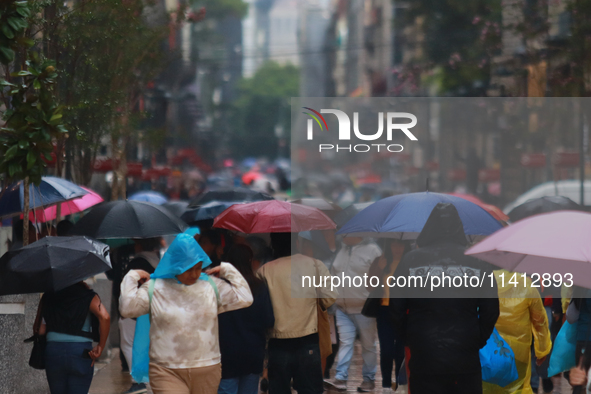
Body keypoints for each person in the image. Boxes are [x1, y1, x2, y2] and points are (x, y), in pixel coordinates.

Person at [119, 233, 253, 394]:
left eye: (198, 267)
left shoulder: (212, 285)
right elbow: (127, 309)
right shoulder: (155, 288)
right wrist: (131, 277)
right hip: (165, 369)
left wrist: (228, 270)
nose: (194, 274)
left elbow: (245, 298)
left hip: (207, 368)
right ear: (175, 265)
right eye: (188, 269)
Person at [389, 203, 500, 394]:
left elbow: (396, 308)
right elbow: (491, 310)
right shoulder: (478, 262)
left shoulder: (410, 260)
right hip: (465, 352)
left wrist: (410, 337)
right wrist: (476, 338)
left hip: (424, 351)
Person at [258, 232, 337, 394]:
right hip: (308, 340)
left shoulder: (264, 271)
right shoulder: (315, 265)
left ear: (273, 245)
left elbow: (260, 305)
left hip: (277, 342)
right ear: (297, 242)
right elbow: (329, 298)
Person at [324, 236, 382, 392]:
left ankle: (369, 380)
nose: (343, 236)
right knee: (345, 342)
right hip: (342, 307)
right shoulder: (342, 250)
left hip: (365, 309)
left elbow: (378, 278)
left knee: (368, 345)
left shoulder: (373, 250)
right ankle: (341, 378)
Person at [33, 281, 111, 394]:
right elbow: (105, 317)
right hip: (80, 352)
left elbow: (40, 329)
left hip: (54, 352)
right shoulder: (88, 295)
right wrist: (100, 346)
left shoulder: (48, 296)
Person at [482, 270, 551, 394]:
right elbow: (540, 321)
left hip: (487, 351)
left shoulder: (481, 283)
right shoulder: (527, 286)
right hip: (518, 354)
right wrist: (542, 349)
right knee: (518, 388)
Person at [218, 244, 275, 394]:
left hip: (226, 354)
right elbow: (269, 320)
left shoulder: (219, 287)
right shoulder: (259, 286)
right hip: (252, 353)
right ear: (250, 261)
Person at [119, 237, 162, 394]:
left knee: (129, 345)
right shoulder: (157, 261)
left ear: (140, 244)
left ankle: (138, 381)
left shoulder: (137, 263)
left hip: (135, 312)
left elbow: (128, 288)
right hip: (152, 310)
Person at [368, 240, 410, 393]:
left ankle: (400, 384)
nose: (397, 248)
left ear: (406, 246)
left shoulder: (409, 261)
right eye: (394, 244)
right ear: (389, 245)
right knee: (386, 350)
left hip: (403, 311)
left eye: (401, 244)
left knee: (401, 350)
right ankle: (386, 384)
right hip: (384, 310)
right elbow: (369, 286)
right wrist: (379, 268)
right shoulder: (381, 261)